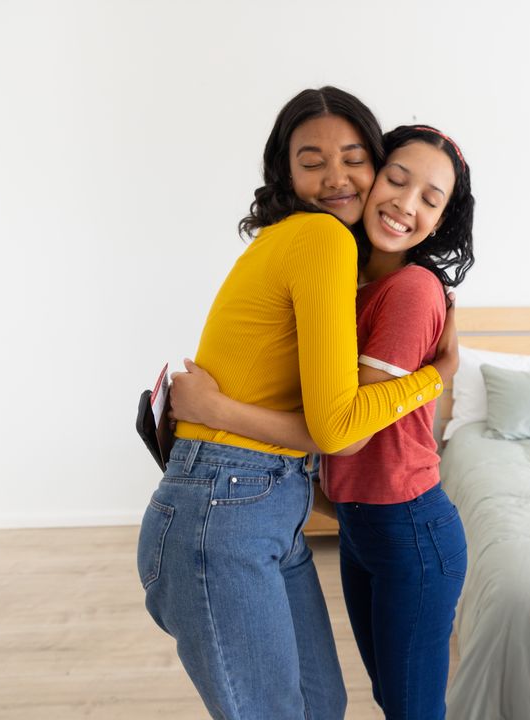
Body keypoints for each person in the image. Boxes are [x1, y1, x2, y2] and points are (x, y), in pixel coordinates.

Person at [135, 88, 459, 720]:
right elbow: (337, 427)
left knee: (319, 703)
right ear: (284, 172)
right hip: (225, 505)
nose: (337, 177)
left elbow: (325, 422)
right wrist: (437, 374)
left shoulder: (338, 259)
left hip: (258, 498)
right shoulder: (322, 240)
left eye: (353, 157)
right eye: (312, 161)